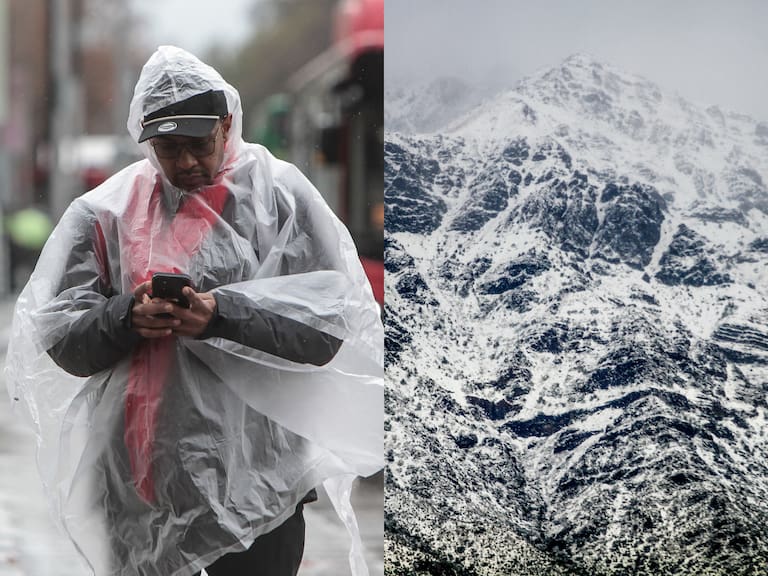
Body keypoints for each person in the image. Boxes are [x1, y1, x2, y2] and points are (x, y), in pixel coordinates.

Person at [4, 46, 383, 576]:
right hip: (140, 487)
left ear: (226, 125)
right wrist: (126, 317)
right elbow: (64, 340)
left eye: (198, 144)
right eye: (167, 147)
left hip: (258, 488)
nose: (184, 162)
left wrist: (220, 316)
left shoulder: (280, 199)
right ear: (147, 141)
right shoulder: (105, 214)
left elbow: (325, 330)